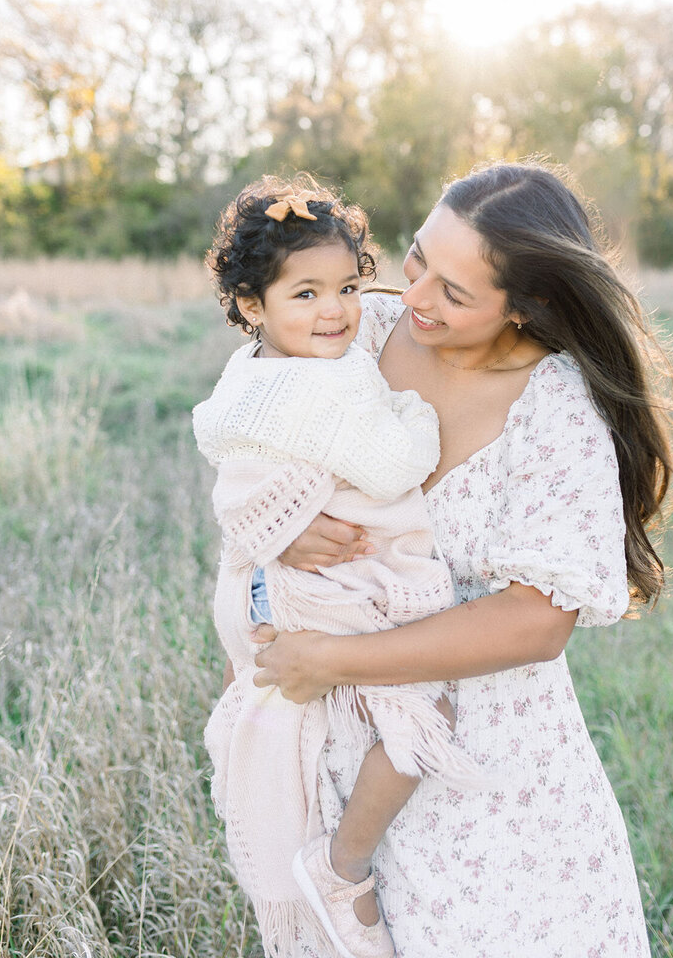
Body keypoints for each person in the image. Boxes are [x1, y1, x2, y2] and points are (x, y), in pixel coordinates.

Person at [251, 159, 673, 958]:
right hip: (346, 750)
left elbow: (535, 623)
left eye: (454, 292)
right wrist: (282, 522)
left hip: (497, 785)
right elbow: (252, 431)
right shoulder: (366, 335)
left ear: (530, 304)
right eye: (418, 259)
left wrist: (336, 659)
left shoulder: (556, 410)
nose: (414, 295)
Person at [194, 176, 484, 958]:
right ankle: (342, 864)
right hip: (314, 587)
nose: (337, 311)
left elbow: (239, 478)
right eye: (308, 293)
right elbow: (394, 466)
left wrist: (277, 526)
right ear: (252, 304)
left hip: (260, 577)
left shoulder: (249, 371)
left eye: (349, 287)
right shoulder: (317, 385)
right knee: (425, 715)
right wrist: (421, 413)